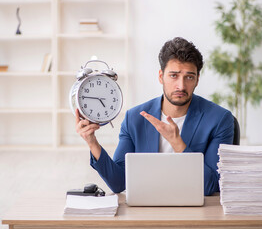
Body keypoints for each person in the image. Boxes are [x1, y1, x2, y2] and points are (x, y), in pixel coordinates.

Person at [76, 37, 234, 196]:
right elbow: (118, 183)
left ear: (197, 80)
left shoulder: (220, 119)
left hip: (195, 211)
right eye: (174, 75)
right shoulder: (134, 118)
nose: (181, 85)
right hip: (147, 209)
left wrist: (178, 144)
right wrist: (92, 142)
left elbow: (212, 185)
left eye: (189, 77)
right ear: (161, 76)